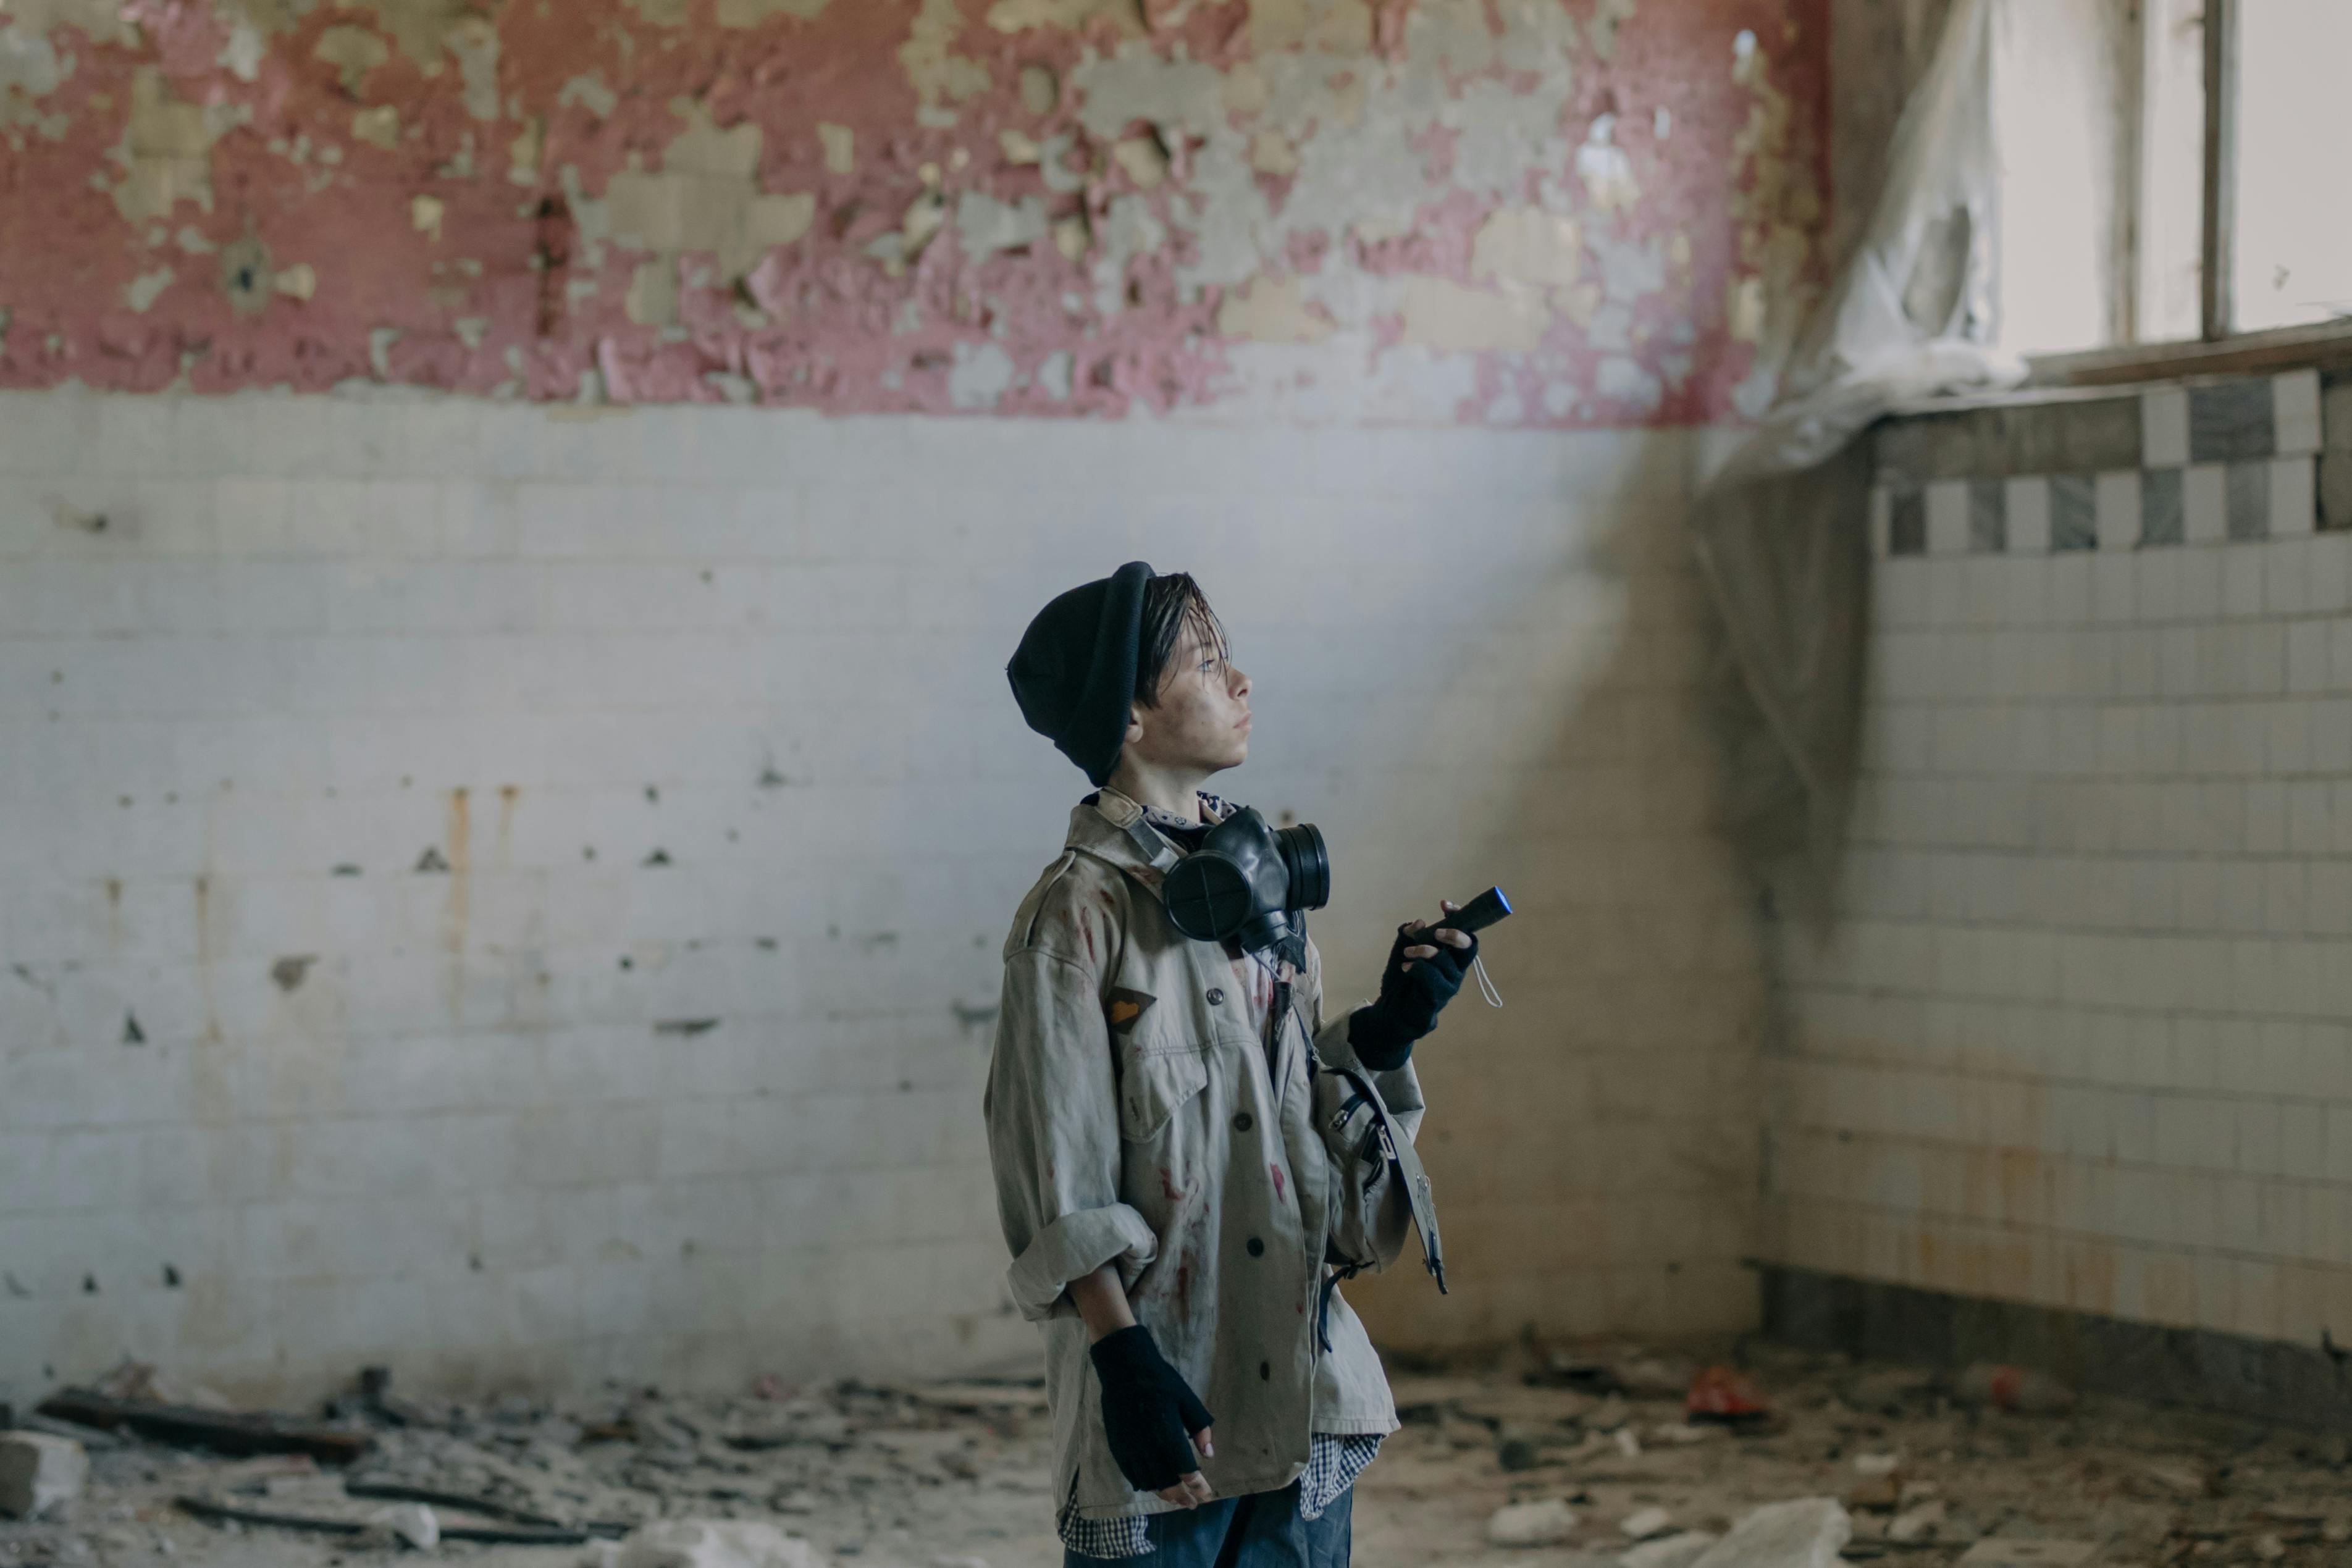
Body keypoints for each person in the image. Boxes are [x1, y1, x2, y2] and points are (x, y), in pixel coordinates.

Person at [988, 562, 1477, 1567]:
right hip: (1170, 1420)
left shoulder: (1265, 903)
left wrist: (1386, 1033)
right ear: (1130, 713)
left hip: (1306, 1407)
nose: (1242, 682)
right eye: (1209, 664)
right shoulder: (1075, 918)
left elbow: (1327, 1196)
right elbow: (1059, 1178)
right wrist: (1124, 1362)